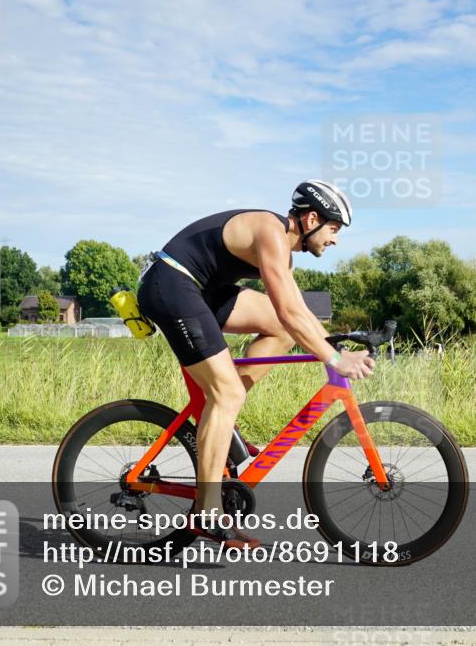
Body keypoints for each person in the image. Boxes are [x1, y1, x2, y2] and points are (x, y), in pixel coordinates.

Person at [137, 180, 374, 548]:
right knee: (227, 393)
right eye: (333, 229)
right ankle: (206, 511)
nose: (335, 240)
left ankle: (222, 417)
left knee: (277, 332)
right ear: (312, 219)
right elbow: (290, 310)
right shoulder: (270, 232)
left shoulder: (284, 253)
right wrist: (334, 359)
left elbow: (296, 312)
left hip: (202, 290)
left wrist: (334, 344)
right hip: (171, 284)